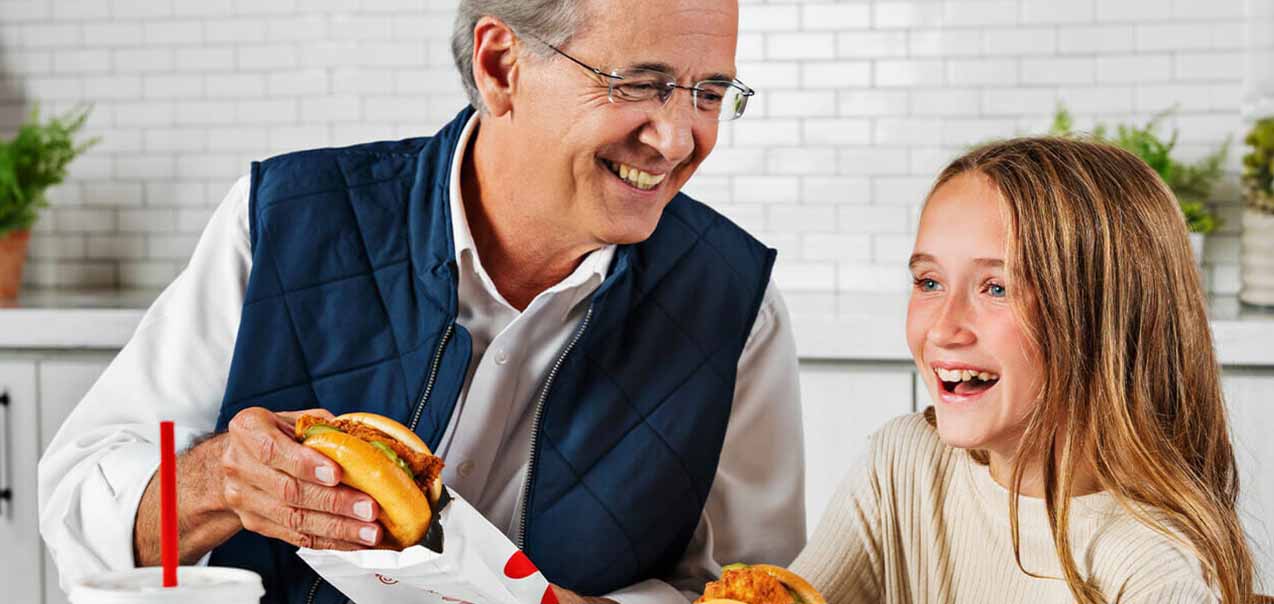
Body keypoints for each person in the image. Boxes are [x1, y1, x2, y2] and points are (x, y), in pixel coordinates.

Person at [38, 1, 806, 602]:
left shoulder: (737, 310)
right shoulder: (287, 220)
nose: (677, 139)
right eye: (639, 84)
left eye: (709, 92)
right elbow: (81, 505)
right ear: (501, 64)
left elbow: (748, 586)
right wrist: (218, 483)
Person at [789, 137, 1262, 603]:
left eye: (996, 288)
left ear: (1101, 317)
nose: (943, 329)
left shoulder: (1151, 570)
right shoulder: (904, 465)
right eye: (929, 282)